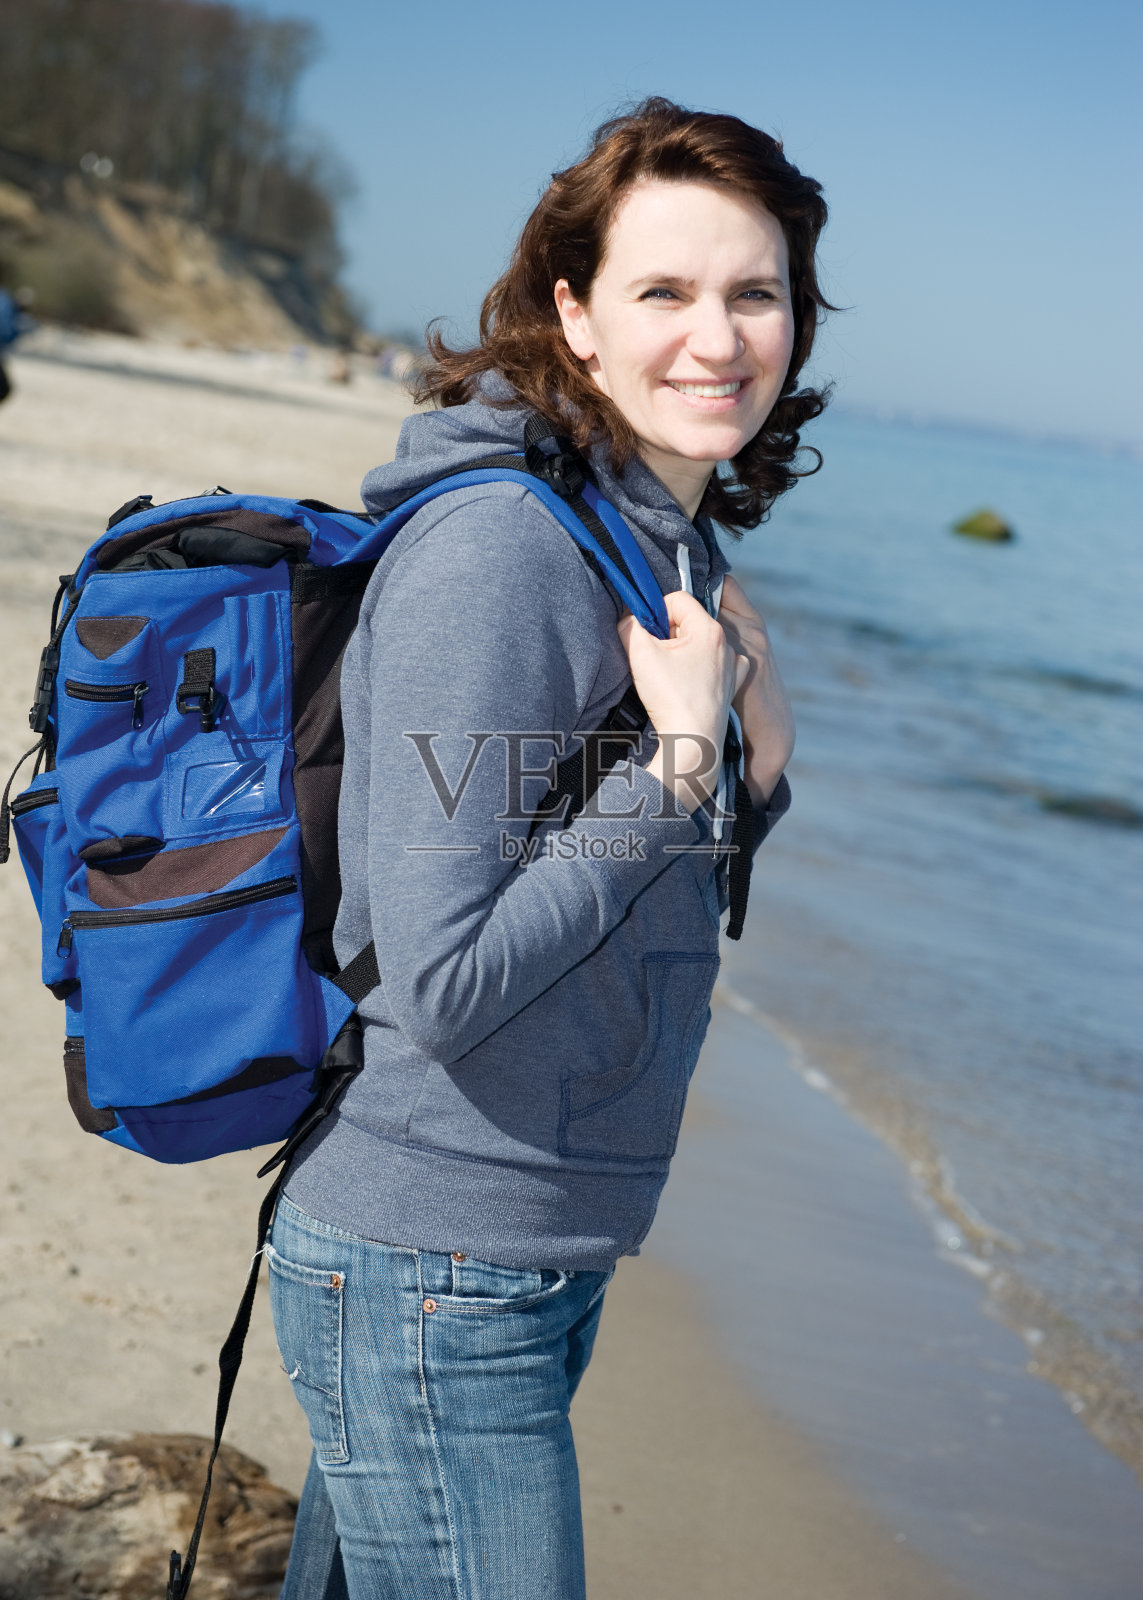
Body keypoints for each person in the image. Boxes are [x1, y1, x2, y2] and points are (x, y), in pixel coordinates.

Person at [267, 96, 830, 1600]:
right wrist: (690, 758)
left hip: (523, 1245)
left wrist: (749, 775)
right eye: (665, 292)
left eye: (755, 293)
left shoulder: (658, 541)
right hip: (436, 1258)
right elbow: (448, 977)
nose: (718, 338)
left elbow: (617, 872)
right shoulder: (500, 553)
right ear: (574, 317)